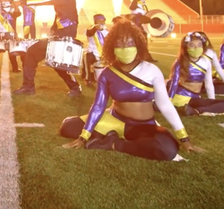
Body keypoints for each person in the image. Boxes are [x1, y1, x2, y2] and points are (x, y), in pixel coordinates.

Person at [60, 20, 203, 161]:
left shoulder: (151, 70)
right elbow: (99, 105)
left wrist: (184, 138)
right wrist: (83, 136)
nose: (125, 49)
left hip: (143, 126)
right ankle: (107, 134)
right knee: (67, 126)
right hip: (115, 119)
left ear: (138, 45)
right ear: (112, 47)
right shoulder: (107, 73)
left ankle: (114, 143)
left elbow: (165, 104)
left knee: (167, 149)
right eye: (120, 44)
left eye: (129, 44)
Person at [13, 0, 81, 96]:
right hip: (59, 34)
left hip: (65, 34)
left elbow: (49, 0)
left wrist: (24, 2)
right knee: (55, 61)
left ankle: (28, 86)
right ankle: (74, 87)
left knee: (37, 54)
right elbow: (55, 9)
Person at [167, 32, 224, 116]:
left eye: (199, 45)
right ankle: (195, 110)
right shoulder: (179, 62)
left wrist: (211, 101)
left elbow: (209, 84)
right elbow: (174, 83)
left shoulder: (206, 62)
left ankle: (193, 110)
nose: (196, 48)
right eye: (192, 45)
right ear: (185, 47)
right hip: (181, 96)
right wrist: (169, 100)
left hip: (195, 97)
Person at [196, 31, 224, 95]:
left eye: (203, 38)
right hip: (192, 82)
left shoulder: (211, 52)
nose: (202, 41)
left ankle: (203, 90)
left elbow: (218, 68)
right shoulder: (189, 53)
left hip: (206, 81)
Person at [81, 14, 109, 87]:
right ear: (95, 21)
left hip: (103, 54)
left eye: (102, 21)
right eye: (99, 21)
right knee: (86, 56)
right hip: (92, 53)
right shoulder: (90, 29)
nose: (101, 23)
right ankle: (88, 79)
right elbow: (90, 33)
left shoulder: (106, 31)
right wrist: (95, 28)